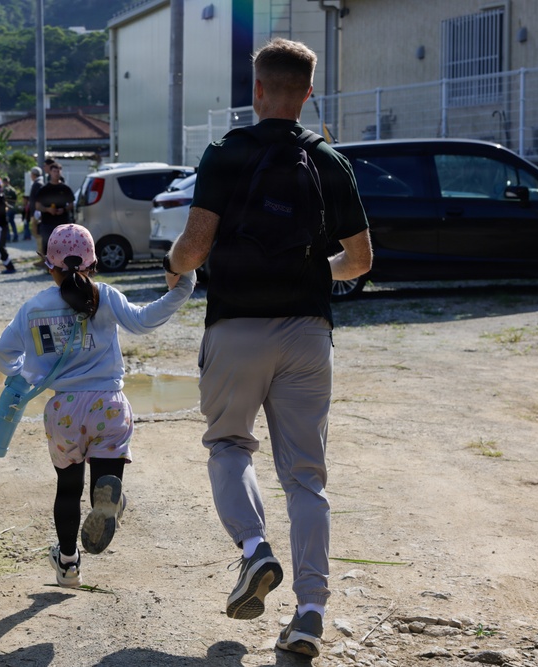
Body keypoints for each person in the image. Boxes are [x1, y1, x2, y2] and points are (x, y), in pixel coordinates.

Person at [164, 38, 373, 659]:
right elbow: (359, 260)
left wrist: (174, 267)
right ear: (308, 94)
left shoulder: (226, 152)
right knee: (306, 477)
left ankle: (255, 552)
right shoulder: (330, 161)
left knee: (229, 445)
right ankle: (309, 615)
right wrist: (310, 272)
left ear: (257, 90)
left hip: (235, 328)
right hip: (309, 333)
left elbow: (195, 247)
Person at [0, 224, 195, 588]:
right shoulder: (104, 296)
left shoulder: (33, 308)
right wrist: (184, 286)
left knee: (67, 488)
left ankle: (68, 563)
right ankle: (108, 500)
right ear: (93, 264)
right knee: (106, 479)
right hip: (109, 406)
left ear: (48, 265)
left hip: (63, 411)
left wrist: (26, 374)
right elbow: (144, 320)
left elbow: (2, 354)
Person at [34, 162, 74, 254]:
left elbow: (71, 204)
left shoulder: (65, 188)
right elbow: (37, 205)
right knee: (48, 249)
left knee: (63, 249)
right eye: (54, 171)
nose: (56, 173)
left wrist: (63, 209)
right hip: (47, 223)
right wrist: (48, 209)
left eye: (58, 171)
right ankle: (49, 267)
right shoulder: (44, 189)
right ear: (50, 172)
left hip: (62, 224)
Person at [25, 166, 43, 250]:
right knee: (36, 233)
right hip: (35, 212)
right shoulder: (37, 183)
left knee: (38, 233)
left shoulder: (38, 184)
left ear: (34, 174)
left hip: (36, 213)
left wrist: (37, 210)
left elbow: (38, 198)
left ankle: (42, 255)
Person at [1, 177, 19, 242]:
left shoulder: (5, 189)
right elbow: (16, 199)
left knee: (6, 223)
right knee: (12, 222)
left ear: (5, 182)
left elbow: (3, 199)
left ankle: (8, 238)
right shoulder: (13, 189)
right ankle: (16, 237)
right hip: (13, 207)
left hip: (7, 207)